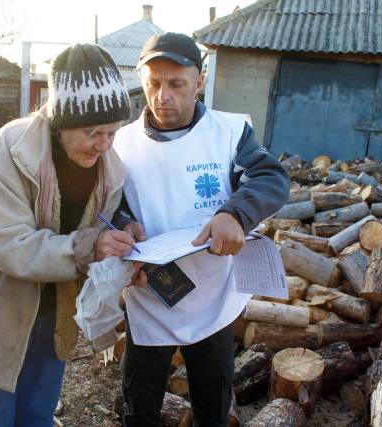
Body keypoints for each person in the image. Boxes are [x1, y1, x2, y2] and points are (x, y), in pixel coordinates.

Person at [0, 44, 137, 427]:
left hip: (52, 313)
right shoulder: (11, 151)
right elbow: (8, 245)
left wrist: (123, 227)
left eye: (112, 132)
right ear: (60, 123)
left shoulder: (109, 166)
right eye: (93, 132)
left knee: (36, 415)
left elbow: (104, 218)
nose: (104, 144)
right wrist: (88, 246)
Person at [112, 32, 290, 426]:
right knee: (140, 403)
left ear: (199, 80)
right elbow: (108, 203)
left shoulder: (228, 132)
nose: (163, 96)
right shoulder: (121, 144)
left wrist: (235, 214)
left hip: (213, 297)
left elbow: (270, 177)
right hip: (150, 291)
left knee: (212, 401)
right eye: (153, 83)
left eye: (176, 84)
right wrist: (124, 223)